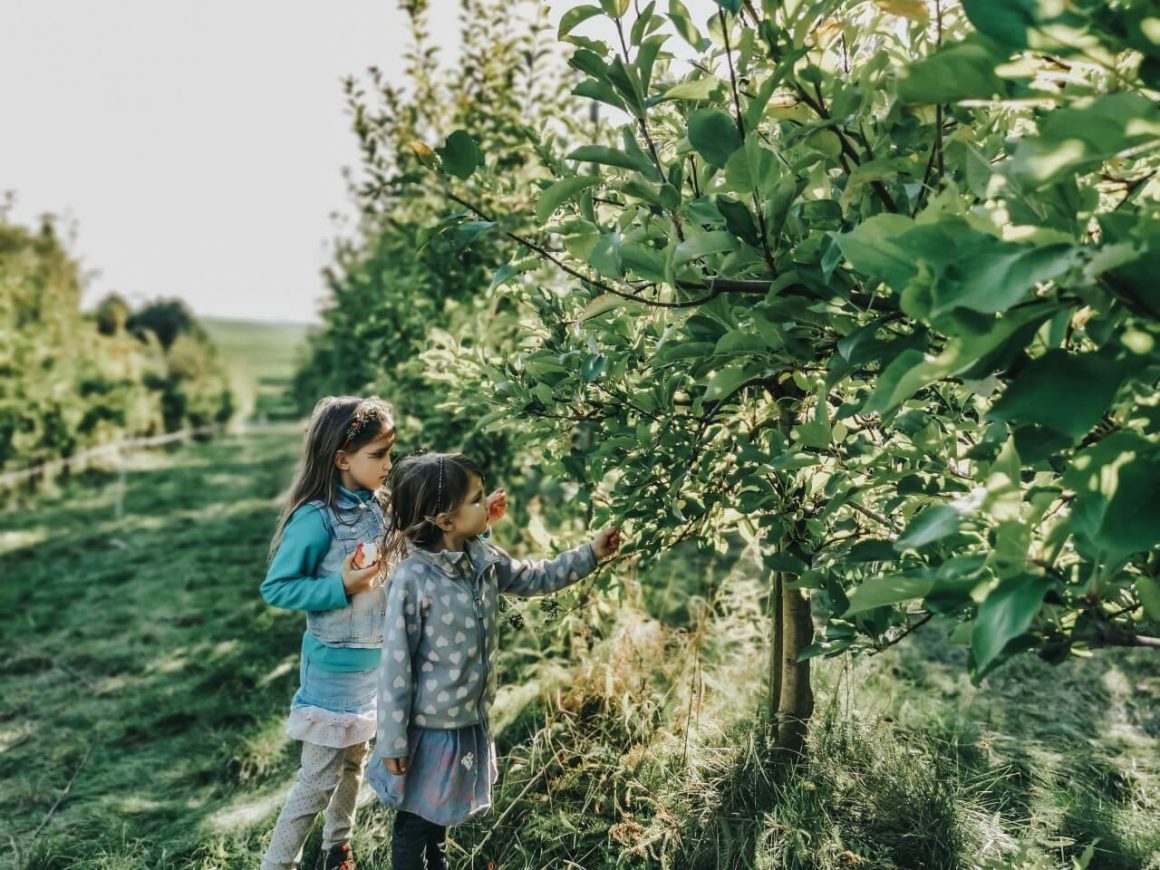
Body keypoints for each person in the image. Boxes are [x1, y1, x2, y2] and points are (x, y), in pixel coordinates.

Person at [368, 452, 621, 870]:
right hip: (428, 729)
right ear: (445, 521)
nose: (488, 503)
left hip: (467, 719)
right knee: (415, 825)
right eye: (477, 498)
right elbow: (396, 666)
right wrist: (392, 738)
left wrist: (590, 553)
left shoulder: (482, 558)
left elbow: (536, 576)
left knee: (440, 818)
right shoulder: (414, 580)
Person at [257, 395, 395, 870]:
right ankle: (278, 864)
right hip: (331, 675)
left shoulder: (381, 508)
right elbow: (278, 587)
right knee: (317, 780)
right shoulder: (316, 518)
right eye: (377, 455)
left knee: (354, 765)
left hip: (371, 669)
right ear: (342, 459)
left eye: (388, 454)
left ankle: (336, 850)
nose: (387, 465)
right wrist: (341, 585)